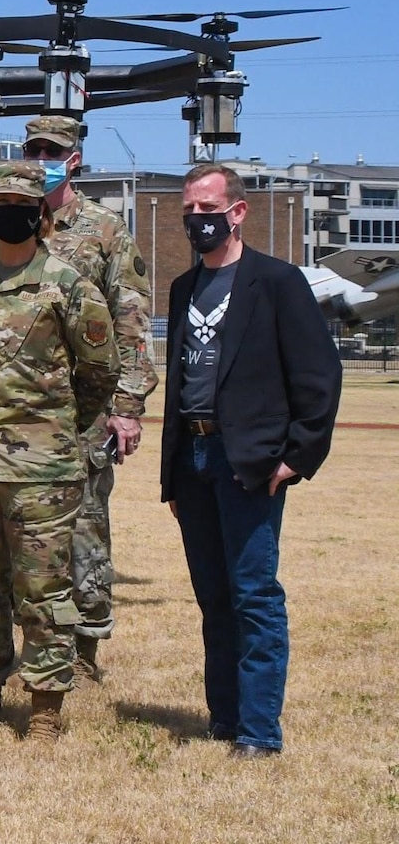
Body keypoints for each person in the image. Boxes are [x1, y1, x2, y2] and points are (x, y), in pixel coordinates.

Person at [162, 162, 341, 758]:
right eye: (190, 211)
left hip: (249, 461)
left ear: (238, 212)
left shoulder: (278, 282)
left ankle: (260, 733)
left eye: (207, 210)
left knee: (253, 595)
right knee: (213, 597)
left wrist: (299, 455)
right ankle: (224, 717)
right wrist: (172, 472)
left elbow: (319, 374)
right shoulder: (183, 288)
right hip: (192, 457)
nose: (196, 221)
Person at [0, 161, 119, 742]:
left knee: (44, 586)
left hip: (42, 466)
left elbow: (99, 373)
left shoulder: (69, 285)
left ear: (40, 214)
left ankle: (46, 704)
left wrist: (60, 429)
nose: (10, 213)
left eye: (23, 203)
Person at [36, 116, 157, 683]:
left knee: (84, 527)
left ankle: (85, 649)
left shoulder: (104, 229)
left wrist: (127, 407)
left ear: (74, 159)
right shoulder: (13, 224)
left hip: (85, 411)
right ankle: (39, 642)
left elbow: (132, 322)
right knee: (31, 533)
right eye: (33, 148)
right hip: (26, 408)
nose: (41, 159)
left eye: (51, 151)